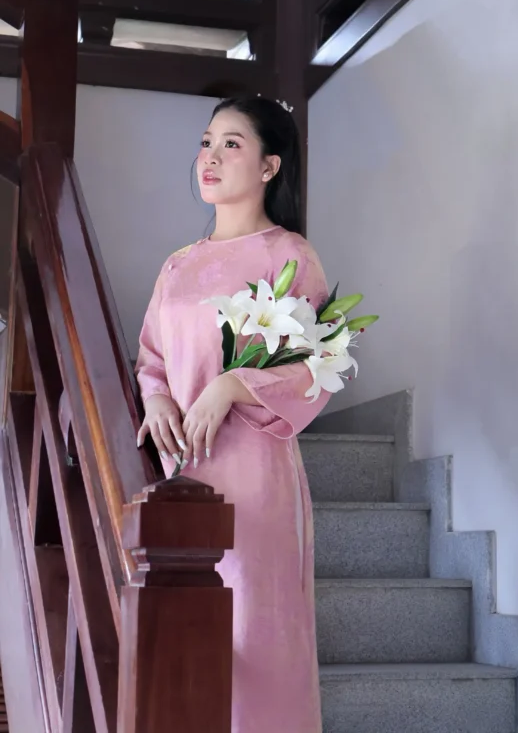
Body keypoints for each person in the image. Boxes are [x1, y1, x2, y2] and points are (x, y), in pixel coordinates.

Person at [136, 96, 330, 733]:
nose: (209, 157)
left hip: (255, 476)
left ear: (270, 166)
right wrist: (156, 397)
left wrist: (232, 385)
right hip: (181, 472)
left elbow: (316, 369)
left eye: (231, 144)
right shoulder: (177, 264)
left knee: (257, 632)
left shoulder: (289, 255)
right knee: (187, 636)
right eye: (206, 142)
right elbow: (151, 357)